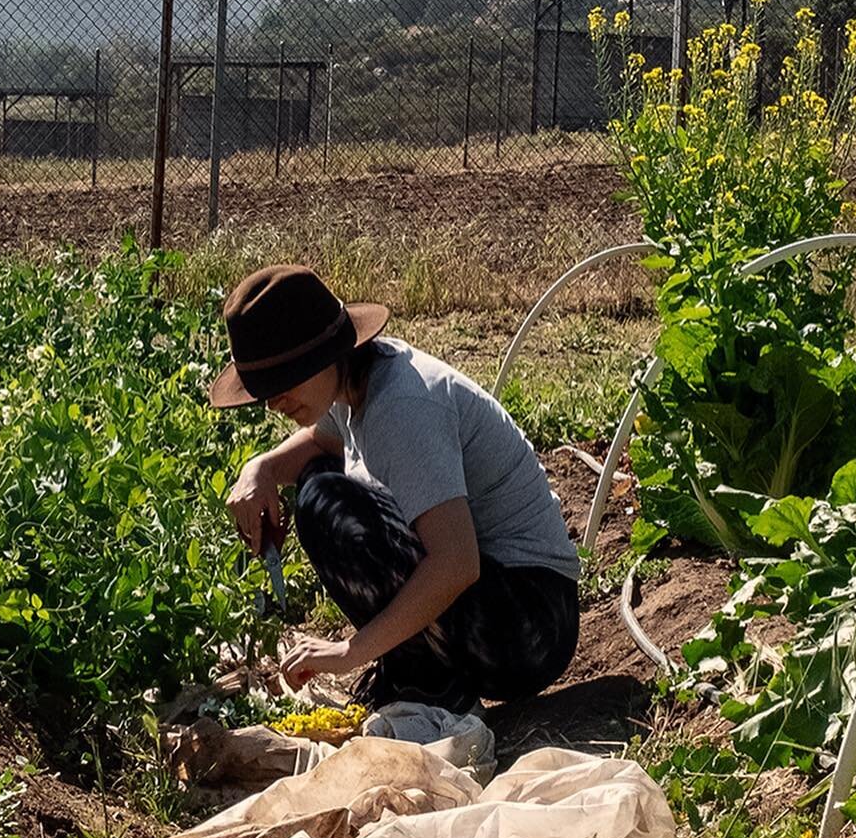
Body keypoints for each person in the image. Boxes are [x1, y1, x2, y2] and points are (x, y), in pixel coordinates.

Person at [208, 264, 580, 713]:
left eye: (283, 381)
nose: (273, 402)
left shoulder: (402, 408)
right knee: (317, 477)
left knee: (325, 501)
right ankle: (417, 669)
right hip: (502, 607)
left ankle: (428, 682)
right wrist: (261, 469)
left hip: (530, 627)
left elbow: (457, 562)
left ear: (325, 356)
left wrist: (351, 651)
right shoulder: (354, 386)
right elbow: (321, 442)